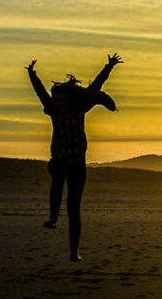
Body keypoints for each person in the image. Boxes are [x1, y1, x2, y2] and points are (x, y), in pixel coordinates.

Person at [26, 53, 122, 261]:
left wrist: (109, 66)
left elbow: (95, 87)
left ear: (69, 100)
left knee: (73, 208)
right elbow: (40, 93)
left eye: (61, 100)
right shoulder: (53, 110)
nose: (58, 103)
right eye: (56, 100)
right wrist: (32, 75)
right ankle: (52, 217)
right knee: (57, 182)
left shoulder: (79, 109)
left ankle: (73, 251)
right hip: (59, 160)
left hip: (78, 165)